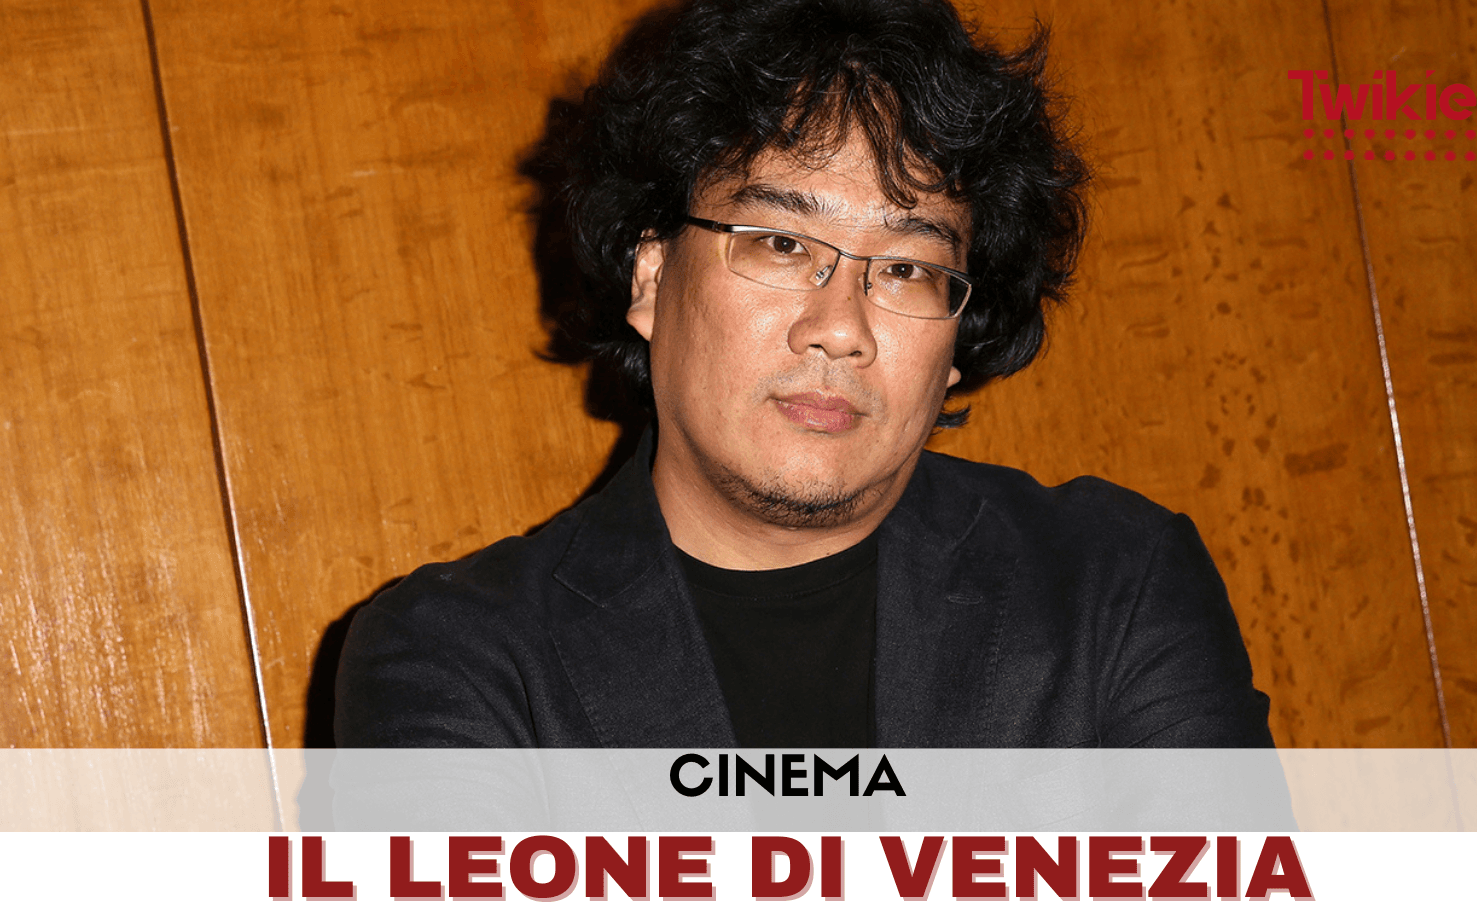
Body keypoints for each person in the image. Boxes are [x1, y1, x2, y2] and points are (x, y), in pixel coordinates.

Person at [334, 0, 1274, 750]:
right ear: (651, 278)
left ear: (957, 340)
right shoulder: (460, 654)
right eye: (781, 244)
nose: (840, 329)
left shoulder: (1113, 586)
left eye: (906, 269)